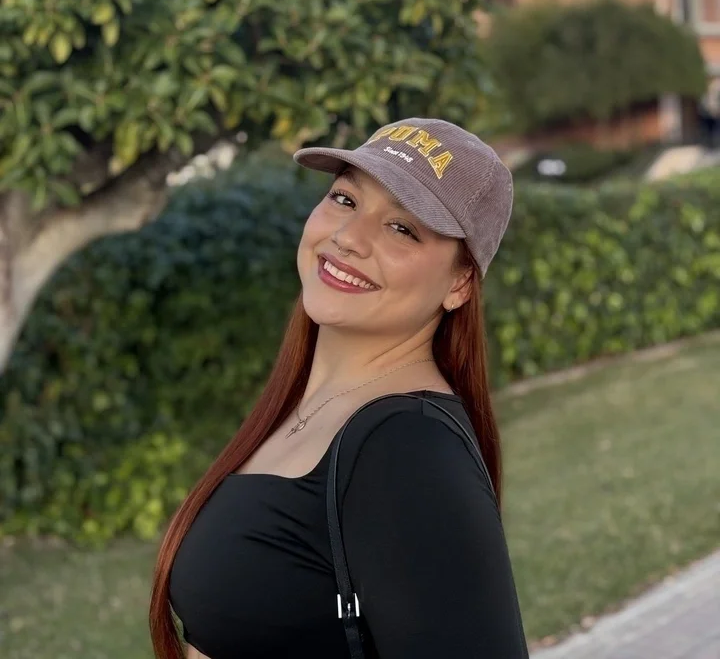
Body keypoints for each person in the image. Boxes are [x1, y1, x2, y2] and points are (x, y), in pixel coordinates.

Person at [149, 118, 529, 659]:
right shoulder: (310, 409)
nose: (349, 237)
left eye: (403, 228)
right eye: (346, 199)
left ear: (460, 282)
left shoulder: (408, 450)